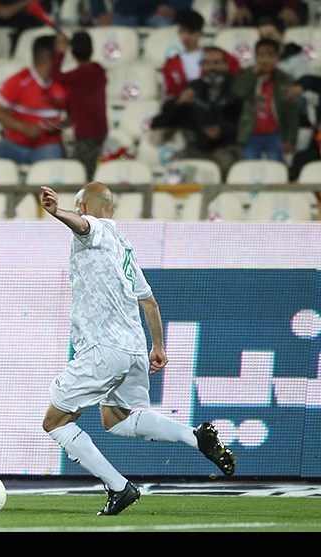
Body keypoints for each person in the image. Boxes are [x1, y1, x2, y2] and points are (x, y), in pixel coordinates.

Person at [39, 182, 236, 516]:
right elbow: (150, 301)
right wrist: (158, 346)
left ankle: (119, 487)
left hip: (102, 348)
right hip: (133, 349)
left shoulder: (93, 229)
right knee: (116, 418)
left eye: (77, 207)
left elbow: (83, 226)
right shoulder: (124, 246)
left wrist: (58, 212)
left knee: (55, 422)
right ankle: (195, 436)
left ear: (84, 206)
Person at [0, 34, 68, 165]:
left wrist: (61, 125)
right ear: (48, 57)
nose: (63, 58)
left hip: (48, 145)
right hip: (14, 145)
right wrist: (24, 128)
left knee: (49, 171)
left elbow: (74, 115)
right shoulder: (20, 80)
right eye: (60, 54)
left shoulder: (63, 82)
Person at [151, 46, 243, 180]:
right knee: (176, 164)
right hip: (197, 148)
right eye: (206, 63)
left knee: (225, 164)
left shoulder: (237, 89)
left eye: (216, 63)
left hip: (226, 147)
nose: (211, 67)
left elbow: (245, 122)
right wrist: (178, 103)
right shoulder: (193, 87)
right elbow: (158, 123)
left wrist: (222, 130)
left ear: (225, 65)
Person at [50, 31, 107, 181]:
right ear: (92, 50)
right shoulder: (98, 71)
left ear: (73, 53)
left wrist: (61, 52)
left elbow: (54, 75)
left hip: (85, 132)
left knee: (81, 173)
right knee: (93, 169)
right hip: (101, 129)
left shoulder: (75, 76)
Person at [233, 37, 299, 162]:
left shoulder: (285, 80)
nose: (265, 60)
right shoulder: (246, 75)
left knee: (275, 167)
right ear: (255, 57)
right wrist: (252, 75)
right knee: (249, 166)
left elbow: (292, 114)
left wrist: (290, 139)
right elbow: (238, 93)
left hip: (275, 134)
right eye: (261, 55)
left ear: (276, 58)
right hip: (251, 132)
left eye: (270, 55)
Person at [162, 9, 241, 100]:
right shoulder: (171, 64)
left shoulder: (215, 54)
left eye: (190, 32)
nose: (186, 36)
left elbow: (233, 73)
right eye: (182, 31)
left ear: (200, 33)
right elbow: (170, 93)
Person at [90, 0, 191, 27]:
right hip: (125, 13)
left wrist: (172, 6)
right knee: (102, 25)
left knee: (165, 25)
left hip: (158, 14)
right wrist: (101, 12)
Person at [230, 0, 307, 27]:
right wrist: (242, 5)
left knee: (291, 22)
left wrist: (289, 6)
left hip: (285, 6)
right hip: (253, 8)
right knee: (240, 21)